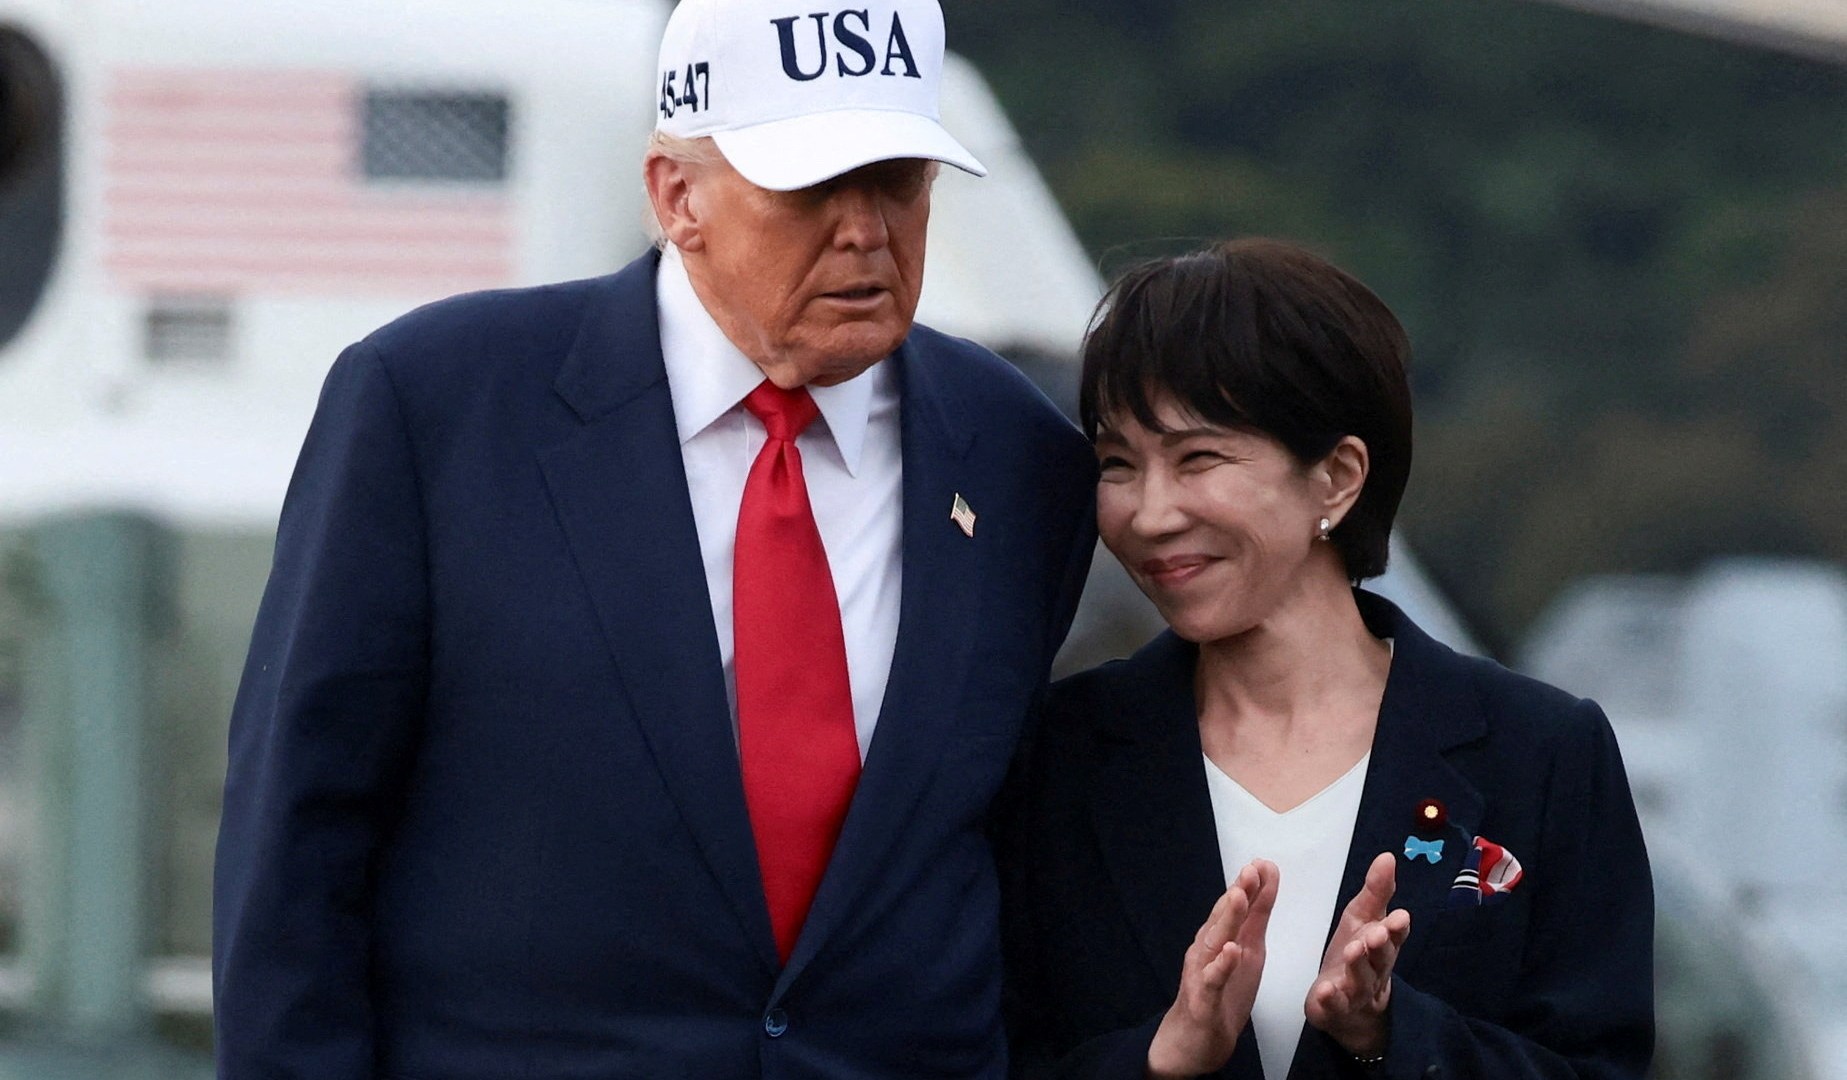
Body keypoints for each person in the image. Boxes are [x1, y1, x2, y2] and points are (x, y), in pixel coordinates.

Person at [211, 0, 1097, 1075]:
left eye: (898, 180)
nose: (865, 230)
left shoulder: (1017, 455)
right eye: (812, 186)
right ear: (676, 195)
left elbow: (1015, 861)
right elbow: (297, 844)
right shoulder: (435, 407)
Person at [1000, 239, 1653, 1079]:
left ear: (1337, 478)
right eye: (1117, 464)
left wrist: (1389, 1033)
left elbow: (1599, 1065)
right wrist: (1158, 1058)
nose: (1149, 514)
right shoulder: (1055, 756)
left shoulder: (1539, 754)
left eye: (1197, 459)